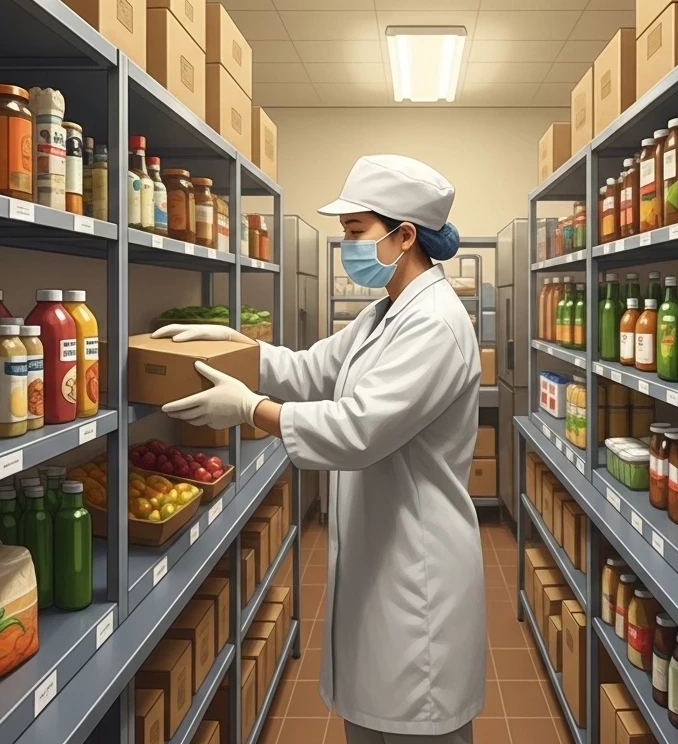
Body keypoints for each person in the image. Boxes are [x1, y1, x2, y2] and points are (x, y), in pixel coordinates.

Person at [154, 155, 486, 744]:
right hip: (380, 555)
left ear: (403, 235)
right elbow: (312, 368)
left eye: (356, 232)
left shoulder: (435, 323)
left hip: (419, 572)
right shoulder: (385, 312)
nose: (347, 247)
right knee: (373, 718)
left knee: (415, 722)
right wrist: (242, 350)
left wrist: (251, 408)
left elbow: (359, 430)